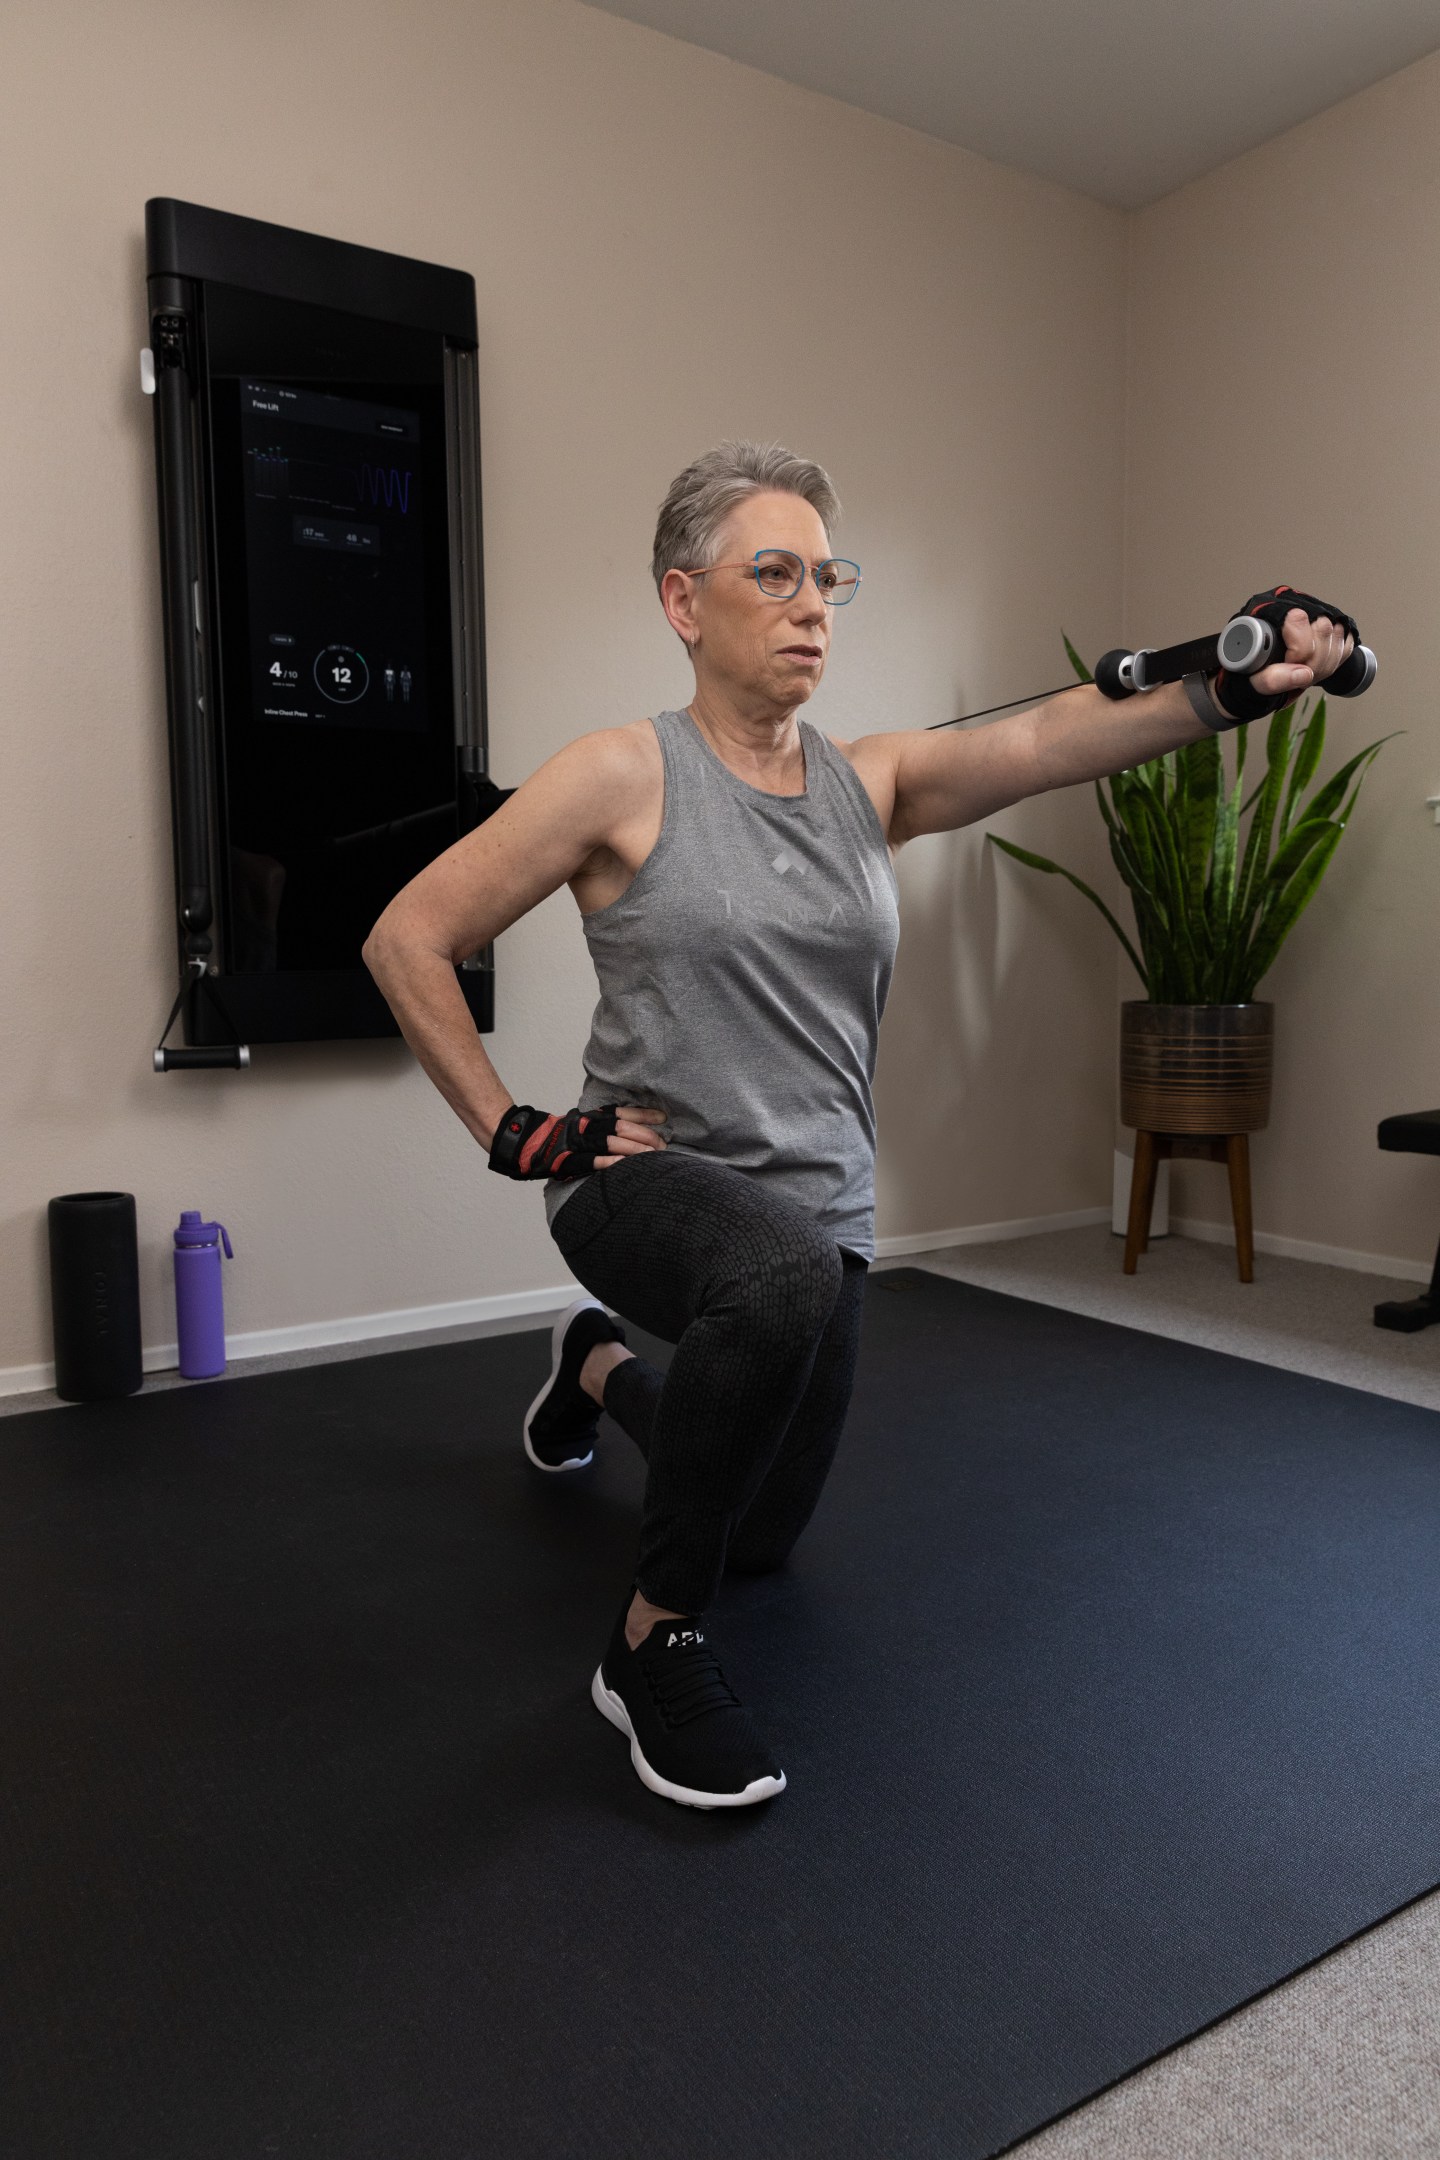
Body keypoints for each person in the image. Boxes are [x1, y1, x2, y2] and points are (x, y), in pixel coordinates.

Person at [363, 440, 1354, 1812]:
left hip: (818, 1212)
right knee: (750, 1338)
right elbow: (410, 935)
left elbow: (1046, 738)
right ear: (682, 602)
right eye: (773, 572)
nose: (813, 602)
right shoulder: (617, 774)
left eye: (829, 576)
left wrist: (1231, 691)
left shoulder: (868, 783)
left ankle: (591, 1371)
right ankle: (649, 1652)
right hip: (646, 1181)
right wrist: (516, 1130)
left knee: (755, 1531)